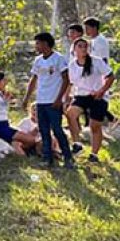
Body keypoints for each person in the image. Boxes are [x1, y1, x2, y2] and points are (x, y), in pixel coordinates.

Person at [22, 31, 74, 169]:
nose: (36, 46)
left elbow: (66, 79)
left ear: (45, 44)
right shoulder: (38, 60)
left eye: (38, 43)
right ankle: (47, 158)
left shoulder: (58, 59)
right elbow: (33, 79)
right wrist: (27, 98)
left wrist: (59, 99)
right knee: (43, 130)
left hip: (53, 101)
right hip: (41, 101)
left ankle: (68, 157)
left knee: (57, 129)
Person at [66, 37, 115, 163]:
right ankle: (77, 144)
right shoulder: (72, 65)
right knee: (70, 114)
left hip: (97, 96)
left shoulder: (96, 61)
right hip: (81, 96)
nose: (83, 49)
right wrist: (66, 97)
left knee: (95, 126)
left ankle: (94, 154)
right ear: (74, 50)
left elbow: (110, 76)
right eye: (80, 46)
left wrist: (102, 90)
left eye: (85, 46)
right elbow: (71, 83)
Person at [0, 71, 37, 156]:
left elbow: (0, 108)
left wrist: (6, 100)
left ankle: (17, 147)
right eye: (3, 80)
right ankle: (19, 149)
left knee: (29, 139)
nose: (5, 83)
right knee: (31, 140)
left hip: (4, 125)